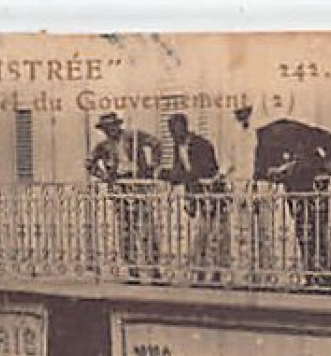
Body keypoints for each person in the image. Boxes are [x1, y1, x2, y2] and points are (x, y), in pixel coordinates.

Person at [255, 118, 331, 289]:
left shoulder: (306, 134)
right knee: (305, 232)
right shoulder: (267, 139)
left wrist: (290, 168)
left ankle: (322, 272)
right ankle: (311, 271)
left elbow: (314, 160)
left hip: (313, 190)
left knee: (316, 231)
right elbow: (261, 170)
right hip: (295, 191)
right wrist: (276, 172)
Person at [86, 112, 162, 281]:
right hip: (119, 186)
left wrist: (152, 168)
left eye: (112, 126)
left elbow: (156, 144)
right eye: (106, 128)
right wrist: (105, 177)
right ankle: (132, 267)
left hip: (138, 182)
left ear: (118, 125)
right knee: (125, 228)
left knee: (146, 226)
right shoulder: (103, 146)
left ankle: (154, 267)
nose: (110, 131)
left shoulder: (133, 136)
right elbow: (89, 164)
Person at [162, 113, 226, 283]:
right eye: (171, 132)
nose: (174, 135)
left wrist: (180, 176)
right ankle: (200, 272)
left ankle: (215, 274)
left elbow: (204, 170)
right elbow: (180, 171)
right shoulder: (178, 146)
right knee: (200, 237)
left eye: (176, 130)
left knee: (214, 236)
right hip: (196, 195)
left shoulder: (201, 145)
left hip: (212, 194)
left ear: (184, 127)